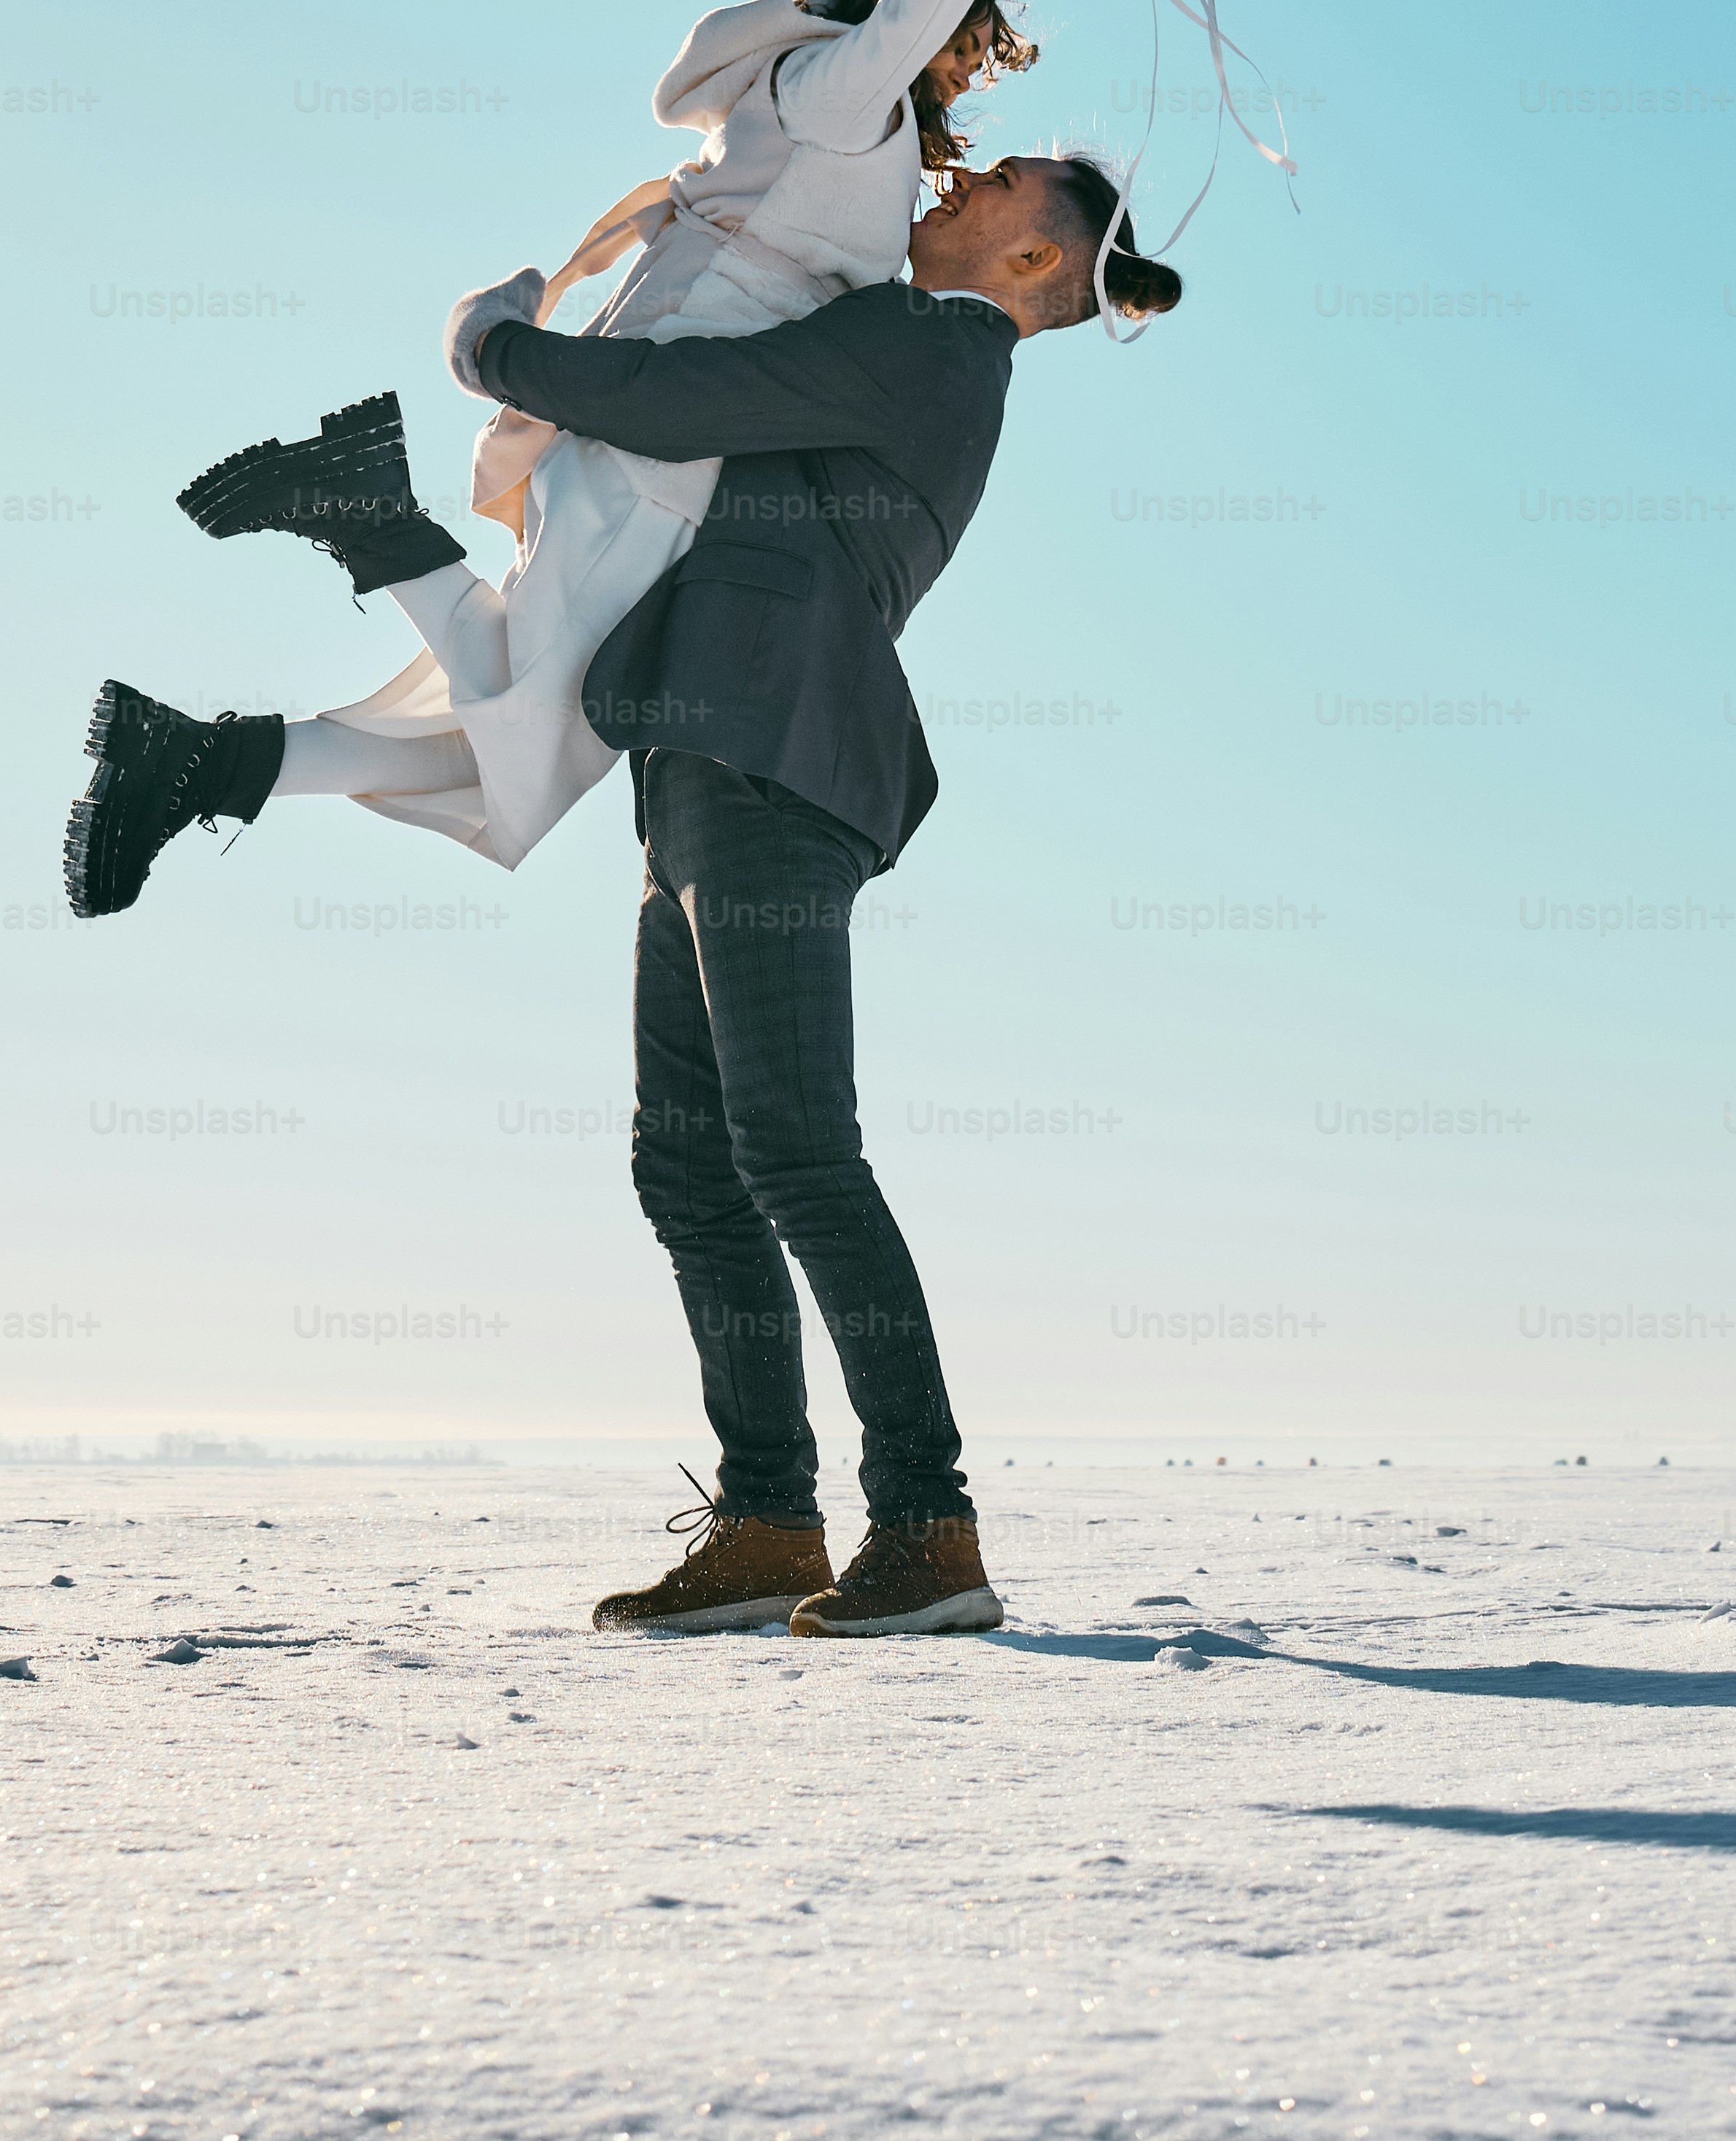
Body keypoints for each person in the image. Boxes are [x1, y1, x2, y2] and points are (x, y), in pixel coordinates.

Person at [69, 152, 1183, 1635]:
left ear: (1038, 262)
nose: (952, 179)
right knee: (689, 1167)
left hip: (774, 757)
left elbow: (676, 397)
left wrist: (495, 353)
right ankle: (768, 1520)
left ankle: (926, 1522)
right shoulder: (906, 337)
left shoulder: (929, 344)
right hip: (707, 756)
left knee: (793, 1149)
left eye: (993, 184)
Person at [88, 0, 1067, 882]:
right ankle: (358, 513)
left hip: (645, 430)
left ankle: (194, 760)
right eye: (961, 42)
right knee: (534, 731)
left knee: (493, 735)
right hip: (668, 443)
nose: (961, 67)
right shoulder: (852, 97)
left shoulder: (827, 109)